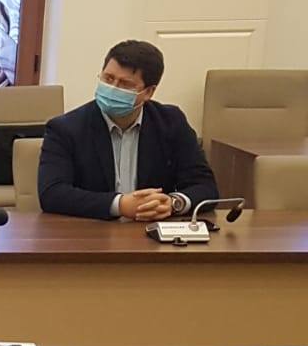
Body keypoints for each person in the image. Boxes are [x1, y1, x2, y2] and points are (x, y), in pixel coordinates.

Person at [37, 39, 219, 220]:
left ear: (148, 92)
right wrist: (120, 205)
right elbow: (52, 194)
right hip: (92, 230)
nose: (113, 89)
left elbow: (206, 186)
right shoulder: (65, 128)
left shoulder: (171, 122)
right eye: (108, 78)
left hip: (151, 230)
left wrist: (174, 203)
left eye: (126, 84)